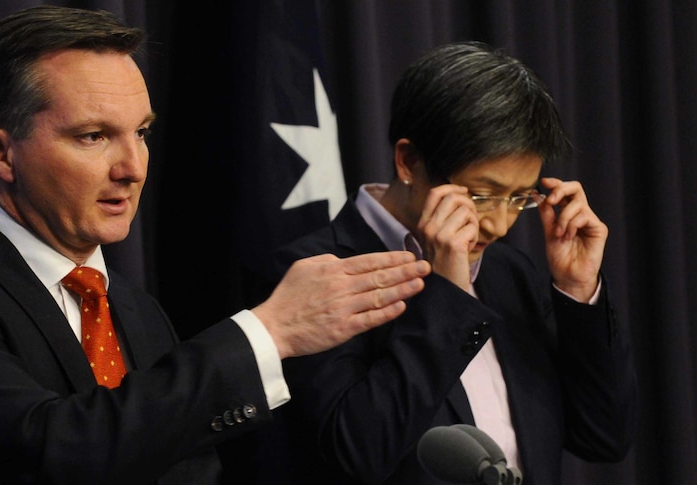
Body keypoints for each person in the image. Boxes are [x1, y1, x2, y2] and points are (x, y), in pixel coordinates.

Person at [0, 6, 433, 484]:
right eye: (94, 136)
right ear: (1, 152)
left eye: (143, 133)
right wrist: (268, 332)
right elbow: (51, 452)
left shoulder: (134, 309)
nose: (133, 168)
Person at [229, 41, 638, 485]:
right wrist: (446, 295)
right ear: (409, 161)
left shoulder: (510, 273)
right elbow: (357, 454)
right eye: (482, 194)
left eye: (519, 198)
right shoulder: (312, 272)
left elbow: (603, 438)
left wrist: (578, 292)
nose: (499, 224)